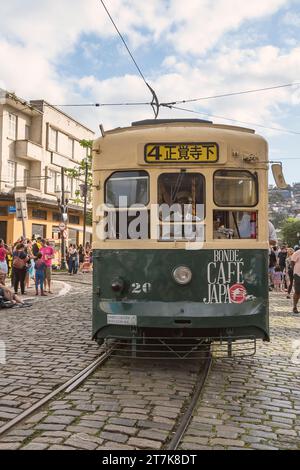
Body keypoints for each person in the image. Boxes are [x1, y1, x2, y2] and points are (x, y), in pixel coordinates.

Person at [291, 245, 300, 314]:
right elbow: (292, 262)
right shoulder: (298, 252)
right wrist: (293, 272)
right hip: (298, 274)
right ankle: (294, 307)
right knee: (297, 291)